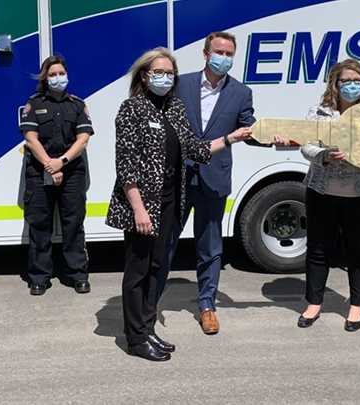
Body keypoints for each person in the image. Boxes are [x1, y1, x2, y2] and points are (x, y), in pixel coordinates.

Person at [105, 47, 252, 361]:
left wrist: (230, 139)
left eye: (169, 73)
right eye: (158, 72)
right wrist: (138, 208)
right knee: (138, 272)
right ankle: (135, 338)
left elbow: (196, 150)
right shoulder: (132, 108)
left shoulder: (174, 108)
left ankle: (147, 330)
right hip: (142, 204)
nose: (164, 77)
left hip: (169, 201)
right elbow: (126, 165)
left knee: (156, 268)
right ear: (144, 76)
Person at [157, 31, 257, 335]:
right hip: (178, 175)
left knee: (210, 247)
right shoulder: (181, 84)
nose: (224, 58)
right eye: (219, 52)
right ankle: (151, 303)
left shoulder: (241, 92)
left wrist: (271, 137)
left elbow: (249, 128)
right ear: (205, 54)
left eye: (229, 54)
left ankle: (207, 306)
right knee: (166, 243)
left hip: (214, 178)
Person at [289, 59, 360, 333]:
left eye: (357, 80)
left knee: (359, 251)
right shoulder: (319, 111)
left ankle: (356, 306)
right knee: (318, 249)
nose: (351, 85)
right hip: (321, 190)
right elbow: (304, 146)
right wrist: (323, 155)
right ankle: (314, 303)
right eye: (345, 81)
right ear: (335, 83)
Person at [19, 55, 93, 296]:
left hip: (71, 171)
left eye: (61, 73)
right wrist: (50, 165)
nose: (58, 78)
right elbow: (30, 138)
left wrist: (60, 162)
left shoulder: (77, 104)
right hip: (39, 171)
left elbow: (83, 139)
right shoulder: (33, 103)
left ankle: (78, 274)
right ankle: (39, 277)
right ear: (45, 78)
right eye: (52, 74)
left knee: (74, 224)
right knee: (40, 225)